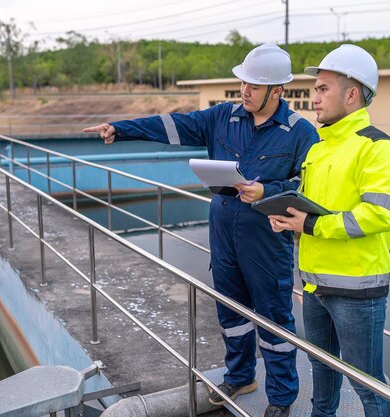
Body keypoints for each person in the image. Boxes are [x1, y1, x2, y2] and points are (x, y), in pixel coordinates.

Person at [83, 44, 319, 417]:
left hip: (266, 241)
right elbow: (173, 125)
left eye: (253, 87)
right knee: (231, 313)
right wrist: (120, 129)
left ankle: (281, 399)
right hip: (224, 233)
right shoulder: (223, 117)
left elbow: (308, 187)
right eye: (242, 82)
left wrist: (268, 191)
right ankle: (240, 377)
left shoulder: (300, 133)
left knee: (275, 321)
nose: (244, 91)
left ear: (278, 91)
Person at [268, 44, 390, 417]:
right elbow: (314, 208)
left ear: (351, 94)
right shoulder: (320, 148)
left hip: (357, 292)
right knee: (322, 372)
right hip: (314, 287)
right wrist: (290, 220)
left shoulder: (380, 150)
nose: (313, 98)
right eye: (315, 89)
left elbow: (377, 216)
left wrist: (310, 223)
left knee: (369, 389)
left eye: (322, 89)